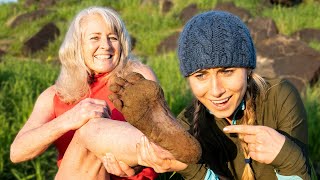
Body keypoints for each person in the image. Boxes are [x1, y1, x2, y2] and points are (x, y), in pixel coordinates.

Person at [104, 11, 315, 179]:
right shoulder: (189, 124)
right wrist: (186, 167)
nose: (216, 91)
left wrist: (287, 157)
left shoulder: (279, 97)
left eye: (227, 71)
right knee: (94, 134)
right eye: (201, 76)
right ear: (188, 79)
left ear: (248, 69)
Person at [10, 6, 162, 180]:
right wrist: (69, 119)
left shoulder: (137, 78)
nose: (105, 46)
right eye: (94, 38)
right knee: (88, 131)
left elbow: (160, 133)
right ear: (77, 45)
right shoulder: (55, 95)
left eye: (112, 38)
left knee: (93, 130)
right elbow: (17, 152)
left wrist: (133, 165)